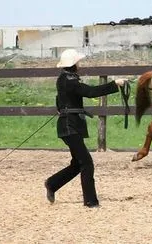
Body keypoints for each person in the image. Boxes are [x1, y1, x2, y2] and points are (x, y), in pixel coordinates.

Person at [44, 49, 126, 208]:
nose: (79, 65)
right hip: (70, 127)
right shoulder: (69, 80)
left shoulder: (65, 78)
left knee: (77, 163)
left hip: (70, 126)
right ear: (74, 64)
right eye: (78, 62)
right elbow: (90, 92)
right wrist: (114, 84)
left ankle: (52, 184)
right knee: (87, 163)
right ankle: (90, 201)